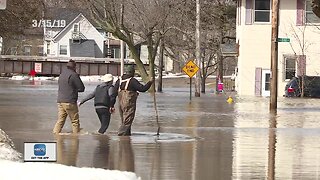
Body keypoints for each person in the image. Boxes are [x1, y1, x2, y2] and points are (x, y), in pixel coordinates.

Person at [114, 65, 154, 136]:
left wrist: (111, 104)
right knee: (128, 120)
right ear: (132, 72)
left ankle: (127, 136)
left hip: (120, 103)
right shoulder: (132, 81)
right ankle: (121, 135)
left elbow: (114, 92)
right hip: (128, 103)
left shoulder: (119, 80)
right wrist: (150, 82)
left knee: (124, 119)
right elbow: (142, 89)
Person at [53, 60, 85, 134]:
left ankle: (55, 134)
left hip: (60, 101)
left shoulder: (62, 74)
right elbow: (82, 88)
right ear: (74, 67)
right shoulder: (74, 75)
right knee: (75, 121)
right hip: (70, 101)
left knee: (60, 120)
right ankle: (76, 138)